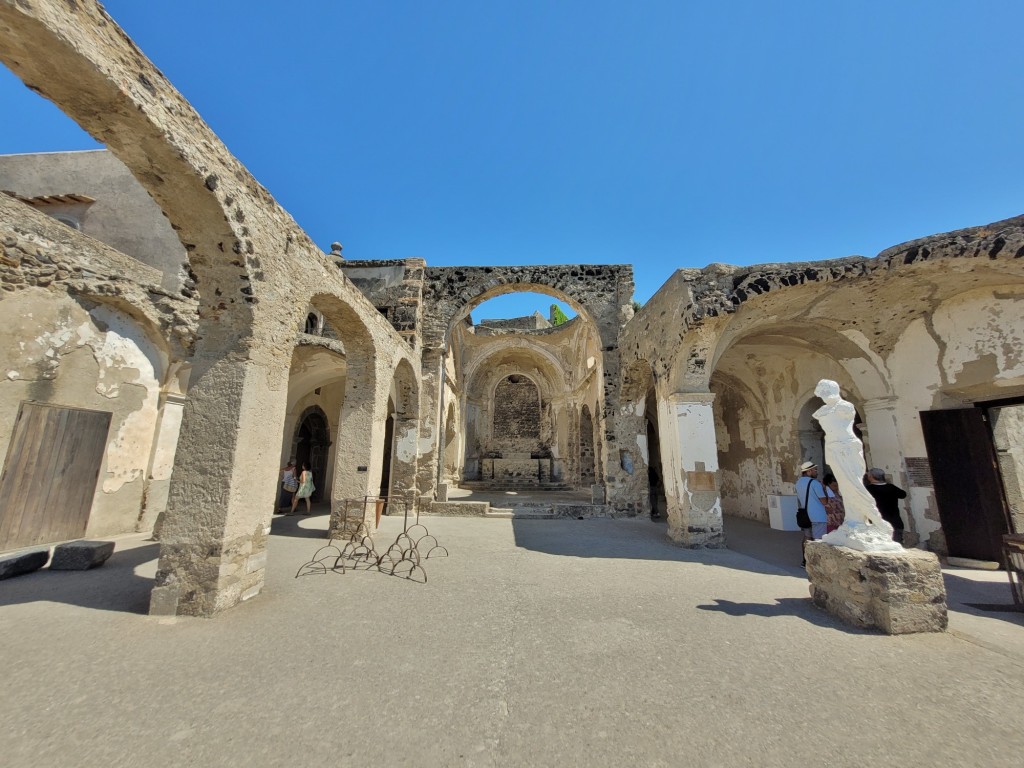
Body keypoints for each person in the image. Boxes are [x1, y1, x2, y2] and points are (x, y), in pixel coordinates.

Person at [795, 460, 831, 566]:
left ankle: (805, 561)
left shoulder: (798, 483)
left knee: (807, 537)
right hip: (818, 515)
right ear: (809, 471)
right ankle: (818, 564)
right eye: (815, 470)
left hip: (805, 515)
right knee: (818, 540)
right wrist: (825, 490)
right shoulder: (815, 483)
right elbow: (824, 501)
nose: (816, 472)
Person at [865, 467, 907, 544]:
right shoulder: (891, 487)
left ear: (871, 477)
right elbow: (903, 494)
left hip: (878, 523)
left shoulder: (868, 489)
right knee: (897, 545)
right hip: (895, 522)